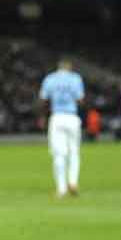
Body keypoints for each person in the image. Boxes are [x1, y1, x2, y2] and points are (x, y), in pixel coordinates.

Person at [39, 59, 85, 198]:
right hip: (72, 117)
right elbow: (80, 99)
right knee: (74, 152)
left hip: (57, 117)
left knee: (59, 154)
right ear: (69, 68)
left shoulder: (50, 79)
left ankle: (61, 188)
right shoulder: (76, 78)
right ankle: (73, 182)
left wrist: (42, 117)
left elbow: (43, 99)